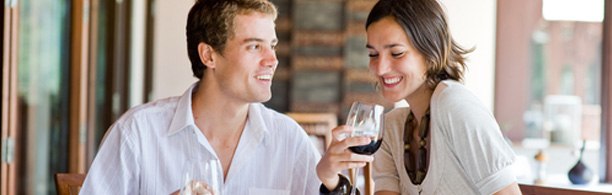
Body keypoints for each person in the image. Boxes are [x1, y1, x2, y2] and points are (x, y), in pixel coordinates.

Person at [79, 0, 322, 194]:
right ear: (208, 55)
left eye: (272, 45)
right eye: (254, 46)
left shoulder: (290, 140)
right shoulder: (136, 134)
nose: (272, 60)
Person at [320, 0, 522, 194]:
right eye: (373, 55)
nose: (380, 68)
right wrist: (331, 180)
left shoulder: (456, 106)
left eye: (396, 53)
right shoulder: (391, 129)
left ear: (430, 51)